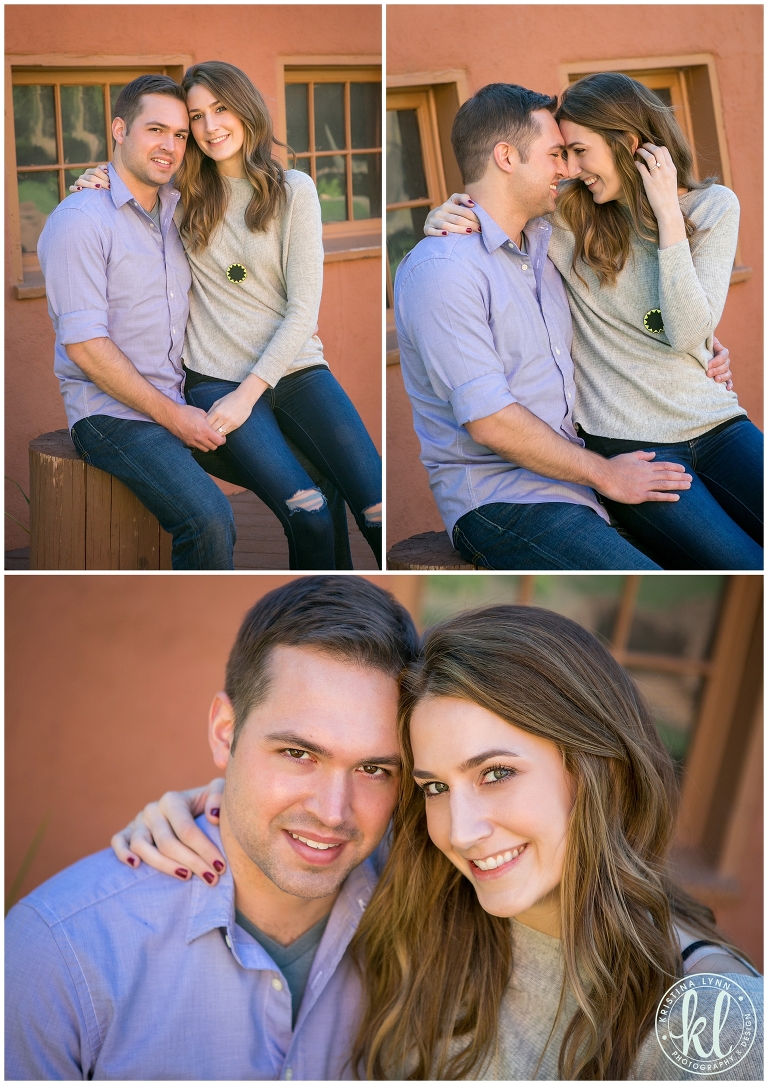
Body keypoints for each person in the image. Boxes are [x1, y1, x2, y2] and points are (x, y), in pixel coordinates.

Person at [114, 605, 763, 1081]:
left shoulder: (713, 1017)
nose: (461, 830)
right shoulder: (423, 899)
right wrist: (206, 804)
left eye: (496, 773)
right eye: (432, 786)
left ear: (600, 768)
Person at [5, 577, 418, 1080]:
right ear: (226, 733)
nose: (334, 812)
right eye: (297, 754)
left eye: (374, 769)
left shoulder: (431, 913)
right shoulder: (58, 951)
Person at [423, 74, 762, 570]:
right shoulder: (564, 222)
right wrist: (445, 212)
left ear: (628, 142)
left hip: (715, 421)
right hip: (632, 443)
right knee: (747, 567)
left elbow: (689, 332)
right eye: (562, 154)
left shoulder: (712, 208)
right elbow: (499, 204)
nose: (572, 170)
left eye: (579, 151)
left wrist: (668, 214)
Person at [71, 62, 382, 571]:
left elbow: (304, 310)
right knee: (308, 511)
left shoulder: (293, 191)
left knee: (377, 509)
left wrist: (250, 392)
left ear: (246, 109)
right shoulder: (181, 194)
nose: (211, 125)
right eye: (196, 116)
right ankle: (316, 611)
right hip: (215, 376)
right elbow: (131, 174)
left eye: (221, 108)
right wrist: (95, 176)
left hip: (297, 370)